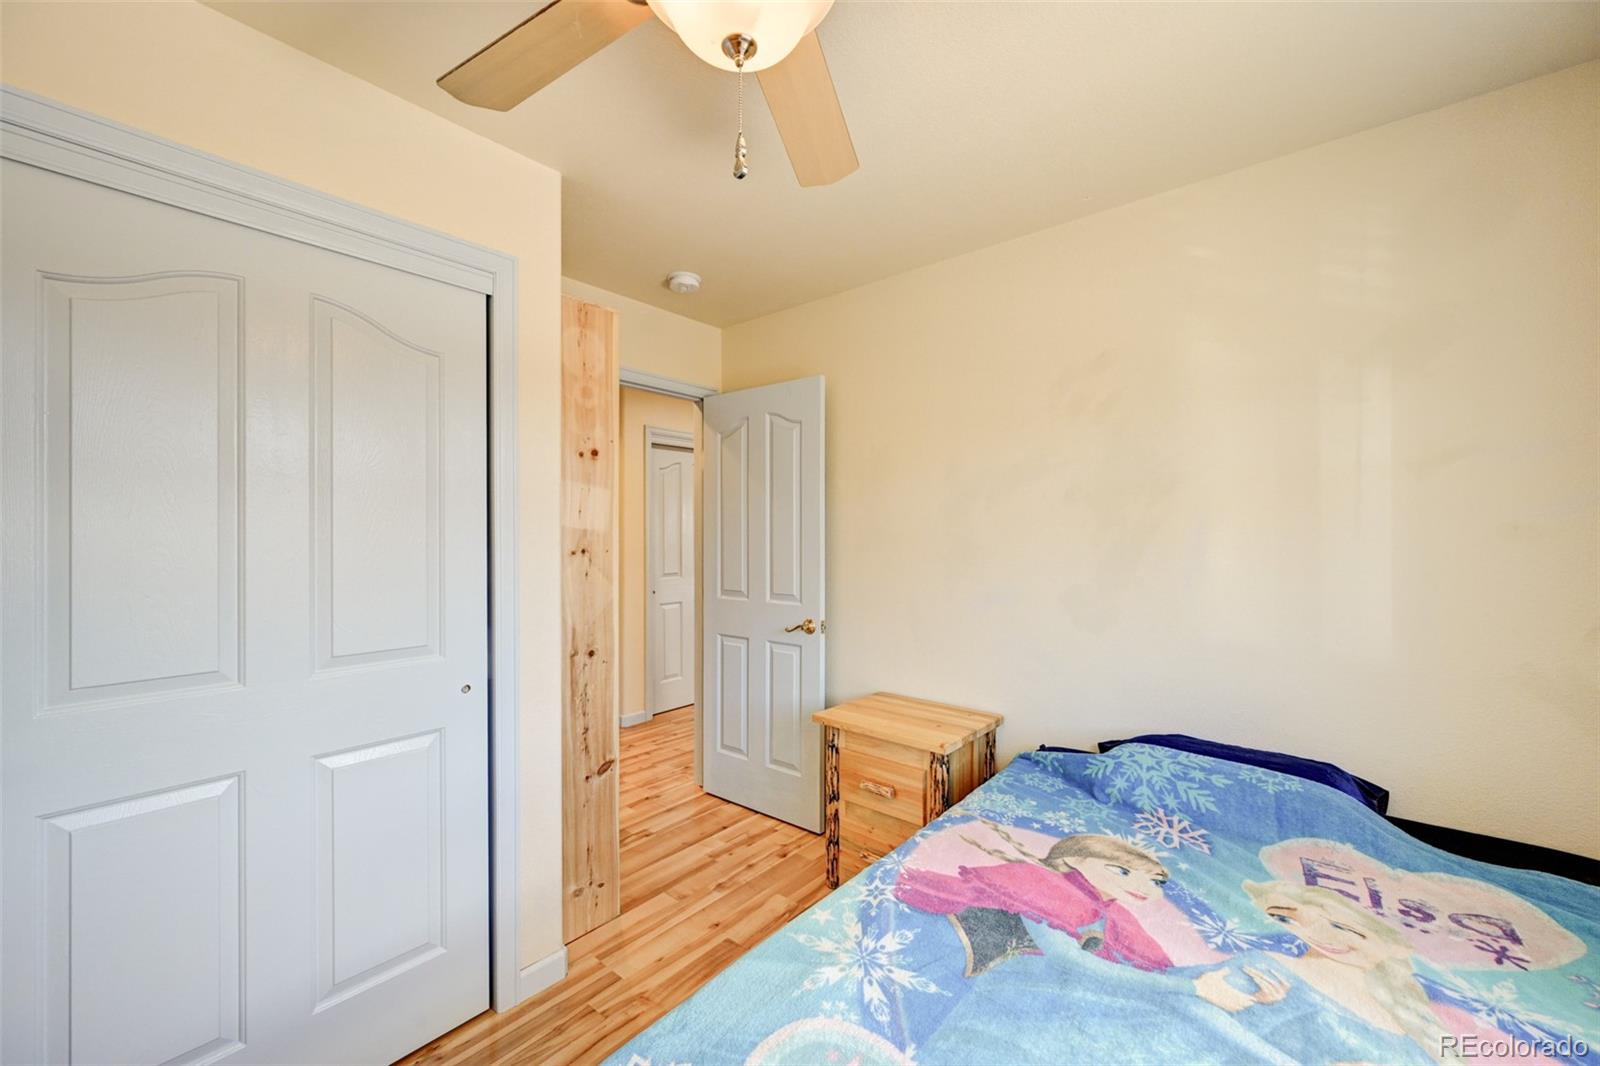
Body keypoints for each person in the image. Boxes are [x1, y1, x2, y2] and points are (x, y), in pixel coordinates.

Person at [894, 826, 1176, 975]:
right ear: (1073, 859)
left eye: (1154, 881)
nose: (1141, 887)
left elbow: (1154, 965)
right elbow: (1063, 956)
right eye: (1123, 872)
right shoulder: (1040, 885)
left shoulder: (1121, 920)